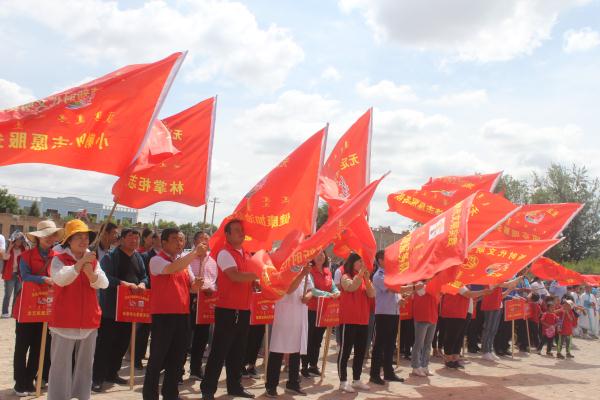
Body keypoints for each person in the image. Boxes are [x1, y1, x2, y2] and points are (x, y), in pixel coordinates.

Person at [47, 219, 109, 400]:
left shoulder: (93, 260)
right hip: (64, 319)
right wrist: (79, 265)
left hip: (89, 319)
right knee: (60, 365)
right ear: (68, 240)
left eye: (86, 237)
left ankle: (82, 395)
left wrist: (91, 273)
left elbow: (104, 283)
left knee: (85, 365)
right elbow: (60, 279)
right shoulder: (58, 259)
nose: (84, 241)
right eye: (78, 237)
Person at [142, 228, 205, 400]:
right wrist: (194, 253)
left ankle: (170, 394)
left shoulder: (184, 264)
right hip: (163, 316)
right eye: (175, 239)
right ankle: (150, 396)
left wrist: (197, 285)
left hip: (182, 315)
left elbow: (192, 287)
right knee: (157, 359)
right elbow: (171, 269)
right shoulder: (157, 260)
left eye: (181, 240)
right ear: (164, 242)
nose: (179, 243)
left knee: (177, 359)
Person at [201, 220, 258, 400]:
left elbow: (247, 278)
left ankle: (235, 386)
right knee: (219, 351)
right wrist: (258, 275)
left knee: (238, 352)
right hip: (227, 309)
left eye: (242, 230)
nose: (241, 233)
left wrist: (255, 282)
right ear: (227, 234)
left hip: (244, 308)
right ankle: (208, 389)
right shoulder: (225, 253)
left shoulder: (247, 254)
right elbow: (234, 276)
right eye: (237, 230)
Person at [92, 228, 148, 392]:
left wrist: (143, 283)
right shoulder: (111, 257)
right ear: (121, 239)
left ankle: (112, 372)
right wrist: (123, 284)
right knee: (105, 344)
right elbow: (105, 278)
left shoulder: (138, 257)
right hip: (111, 308)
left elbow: (144, 276)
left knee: (122, 343)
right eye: (130, 237)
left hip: (129, 308)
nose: (134, 240)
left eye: (137, 238)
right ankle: (97, 377)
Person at [11, 221, 63, 397]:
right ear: (38, 238)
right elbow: (25, 276)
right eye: (45, 235)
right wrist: (43, 279)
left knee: (40, 346)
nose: (49, 238)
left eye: (52, 235)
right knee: (22, 345)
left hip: (47, 307)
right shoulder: (26, 256)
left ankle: (30, 380)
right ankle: (20, 382)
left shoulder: (58, 257)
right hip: (26, 307)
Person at [265, 264, 313, 397]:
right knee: (278, 349)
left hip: (300, 313)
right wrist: (302, 274)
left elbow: (311, 289)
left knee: (296, 350)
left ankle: (293, 383)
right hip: (285, 313)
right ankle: (271, 386)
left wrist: (308, 296)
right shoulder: (283, 268)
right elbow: (288, 290)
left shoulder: (305, 269)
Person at [337, 253, 375, 393]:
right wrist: (360, 275)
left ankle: (357, 379)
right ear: (352, 263)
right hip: (349, 319)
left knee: (360, 351)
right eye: (359, 261)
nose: (362, 264)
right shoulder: (345, 276)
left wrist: (367, 279)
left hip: (363, 320)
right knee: (345, 351)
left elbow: (372, 294)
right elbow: (351, 287)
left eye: (362, 262)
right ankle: (343, 381)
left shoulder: (364, 278)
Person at [369, 251, 406, 385]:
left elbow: (396, 294)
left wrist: (400, 299)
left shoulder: (391, 275)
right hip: (383, 314)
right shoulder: (378, 276)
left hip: (394, 312)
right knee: (379, 344)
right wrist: (412, 287)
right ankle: (374, 374)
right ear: (380, 260)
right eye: (387, 258)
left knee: (391, 344)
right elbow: (393, 289)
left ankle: (388, 372)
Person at [301, 250, 339, 377]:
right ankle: (304, 366)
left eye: (322, 254)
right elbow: (312, 290)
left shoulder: (327, 271)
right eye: (317, 254)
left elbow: (332, 286)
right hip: (311, 310)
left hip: (323, 310)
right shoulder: (310, 271)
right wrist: (328, 295)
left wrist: (336, 292)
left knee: (318, 339)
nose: (320, 256)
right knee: (309, 338)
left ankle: (313, 365)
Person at [188, 231, 217, 381]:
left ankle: (195, 368)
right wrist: (199, 286)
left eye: (207, 239)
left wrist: (211, 288)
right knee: (185, 336)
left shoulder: (212, 261)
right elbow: (189, 277)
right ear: (195, 242)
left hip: (206, 300)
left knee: (202, 336)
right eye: (201, 239)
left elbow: (214, 279)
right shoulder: (188, 258)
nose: (205, 241)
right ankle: (177, 370)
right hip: (190, 298)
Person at [440, 286, 491, 369]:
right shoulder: (456, 282)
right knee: (452, 336)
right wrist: (483, 292)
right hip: (455, 313)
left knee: (459, 337)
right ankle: (448, 359)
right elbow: (468, 294)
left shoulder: (465, 284)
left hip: (464, 312)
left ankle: (455, 359)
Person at [135, 232, 161, 369]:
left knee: (158, 330)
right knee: (143, 329)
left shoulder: (172, 258)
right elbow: (143, 276)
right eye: (160, 239)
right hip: (148, 296)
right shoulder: (145, 256)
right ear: (154, 240)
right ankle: (137, 357)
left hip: (162, 298)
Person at [480, 277, 521, 361]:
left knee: (493, 330)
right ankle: (485, 351)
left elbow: (502, 296)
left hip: (498, 306)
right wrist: (517, 279)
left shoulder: (498, 283)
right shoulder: (491, 279)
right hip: (491, 306)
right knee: (488, 329)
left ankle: (490, 350)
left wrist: (510, 289)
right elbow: (506, 284)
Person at [410, 280, 439, 377]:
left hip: (433, 317)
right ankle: (415, 367)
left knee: (428, 344)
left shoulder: (434, 285)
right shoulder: (420, 284)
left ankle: (424, 366)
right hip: (422, 317)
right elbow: (424, 291)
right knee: (419, 344)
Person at [2, 231, 29, 317]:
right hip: (10, 274)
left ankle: (14, 312)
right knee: (8, 294)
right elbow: (5, 258)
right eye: (17, 240)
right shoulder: (9, 248)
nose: (19, 242)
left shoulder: (23, 249)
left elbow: (28, 258)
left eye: (20, 240)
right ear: (14, 240)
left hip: (19, 275)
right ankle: (5, 312)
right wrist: (10, 248)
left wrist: (26, 247)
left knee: (17, 295)